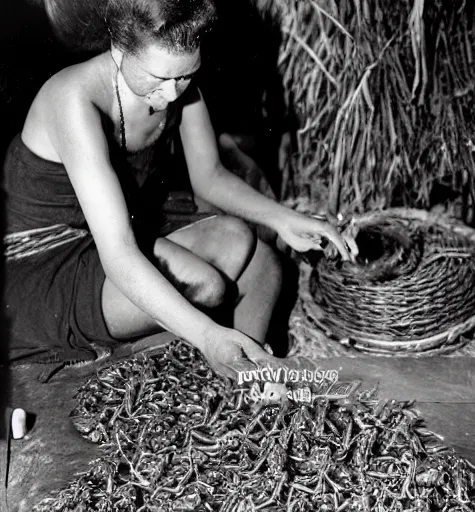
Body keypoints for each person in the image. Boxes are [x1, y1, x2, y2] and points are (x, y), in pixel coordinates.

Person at [3, 0, 357, 378]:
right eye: (159, 78)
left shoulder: (179, 86)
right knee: (208, 284)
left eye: (186, 75)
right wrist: (206, 336)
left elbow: (209, 176)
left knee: (261, 262)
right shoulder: (73, 99)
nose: (172, 94)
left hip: (118, 225)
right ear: (119, 50)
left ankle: (241, 379)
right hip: (44, 259)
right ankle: (177, 356)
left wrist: (287, 219)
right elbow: (119, 252)